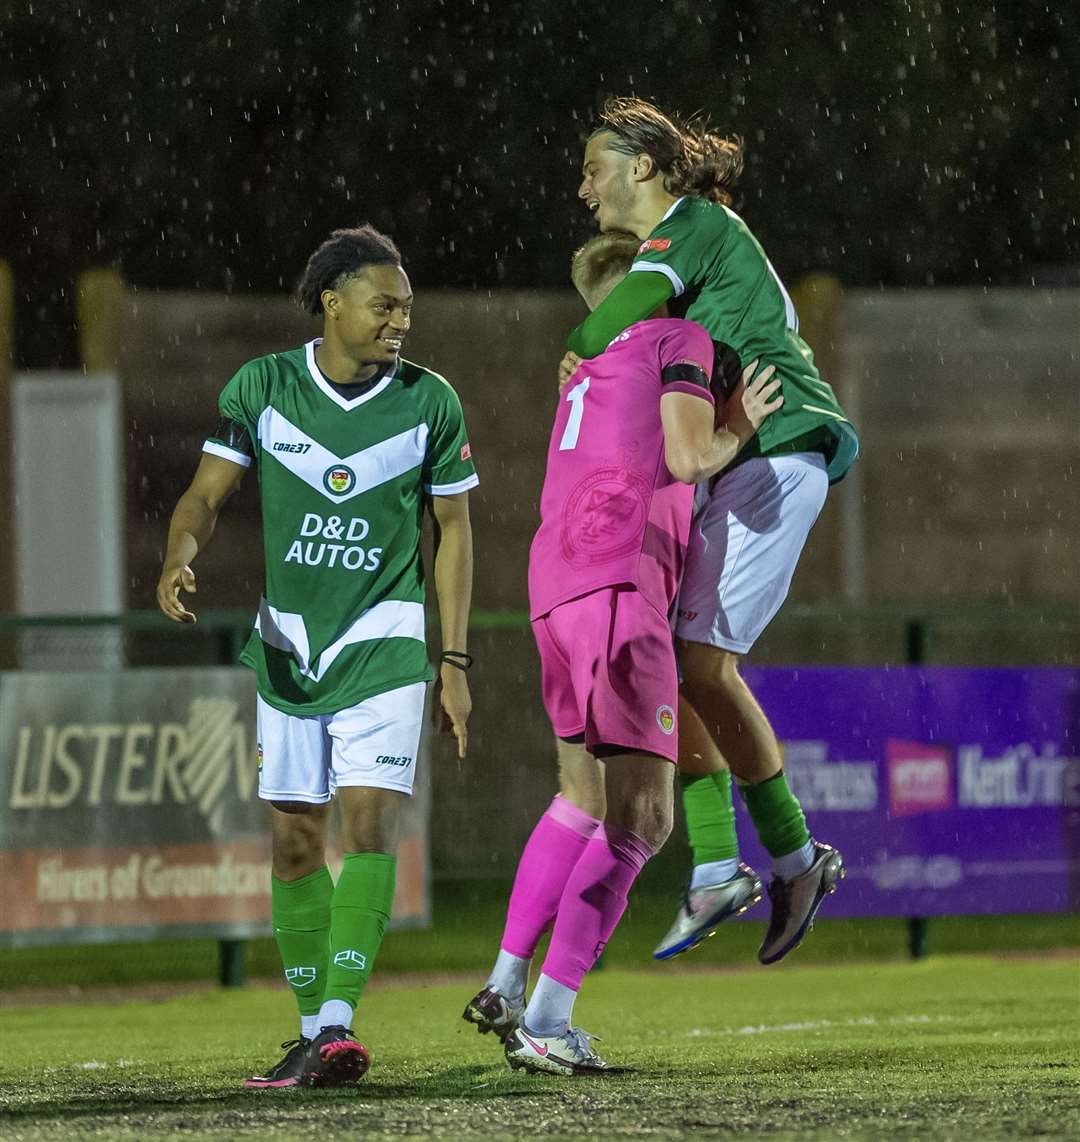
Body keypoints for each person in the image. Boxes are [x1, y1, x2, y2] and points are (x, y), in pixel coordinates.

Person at [156, 225, 477, 1089]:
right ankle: (309, 1032)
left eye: (407, 306)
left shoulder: (429, 402)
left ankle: (338, 1024)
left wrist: (453, 660)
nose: (400, 320)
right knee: (295, 844)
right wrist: (180, 551)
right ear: (333, 301)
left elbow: (454, 533)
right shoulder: (264, 387)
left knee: (370, 825)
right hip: (289, 648)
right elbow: (203, 496)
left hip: (384, 643)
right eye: (385, 304)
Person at [463, 231, 782, 1075]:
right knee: (643, 815)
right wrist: (738, 425)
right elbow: (688, 456)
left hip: (553, 591)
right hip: (617, 587)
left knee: (581, 794)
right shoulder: (679, 337)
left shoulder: (588, 373)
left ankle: (504, 981)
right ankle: (548, 1017)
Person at [565, 97, 859, 965]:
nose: (585, 189)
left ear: (644, 168)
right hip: (740, 458)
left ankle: (792, 858)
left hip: (776, 447)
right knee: (674, 659)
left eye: (595, 168)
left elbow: (611, 324)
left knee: (697, 663)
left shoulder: (690, 225)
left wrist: (581, 347)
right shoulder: (697, 247)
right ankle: (725, 863)